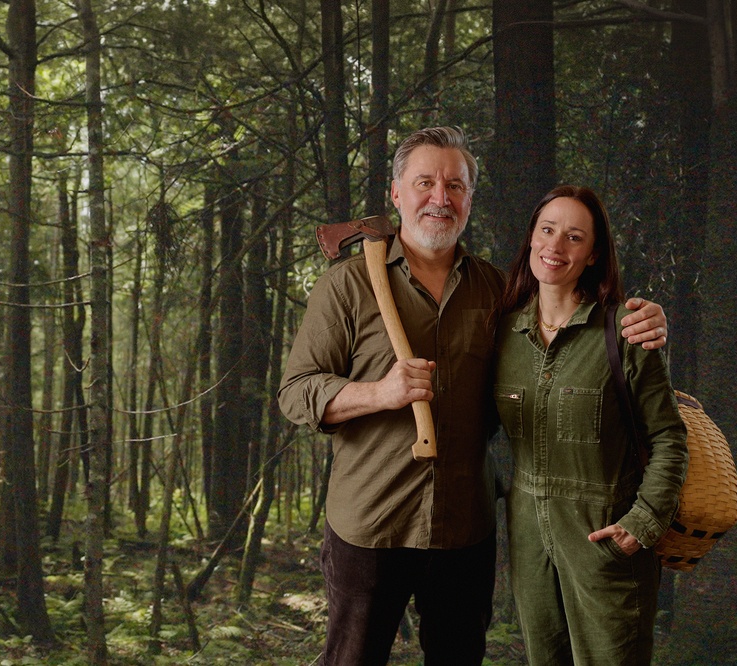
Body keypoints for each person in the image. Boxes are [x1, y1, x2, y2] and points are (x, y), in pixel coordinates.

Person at [276, 127, 669, 665]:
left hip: (465, 529)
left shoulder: (496, 291)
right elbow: (295, 393)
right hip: (371, 525)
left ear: (469, 200)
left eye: (455, 186)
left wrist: (643, 319)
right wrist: (378, 392)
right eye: (425, 183)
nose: (440, 198)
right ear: (396, 195)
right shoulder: (346, 286)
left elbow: (566, 325)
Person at [493, 185, 688, 665]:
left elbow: (669, 438)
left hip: (604, 539)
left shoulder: (624, 331)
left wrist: (641, 524)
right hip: (529, 541)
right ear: (531, 238)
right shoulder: (503, 333)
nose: (555, 247)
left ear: (594, 254)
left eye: (574, 237)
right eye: (547, 230)